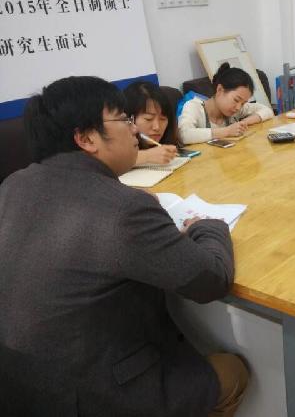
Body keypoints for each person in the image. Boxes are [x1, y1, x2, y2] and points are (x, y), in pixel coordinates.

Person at [0, 76, 248, 417]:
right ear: (86, 138)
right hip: (93, 396)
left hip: (20, 387)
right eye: (123, 119)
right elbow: (212, 279)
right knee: (233, 371)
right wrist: (208, 225)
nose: (134, 130)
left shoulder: (13, 185)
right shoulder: (123, 210)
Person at [178, 63, 274, 144]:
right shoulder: (194, 107)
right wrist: (227, 131)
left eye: (243, 103)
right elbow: (183, 135)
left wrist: (244, 123)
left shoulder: (237, 110)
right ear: (220, 90)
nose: (238, 107)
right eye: (236, 100)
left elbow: (267, 111)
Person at [124, 81, 179, 165]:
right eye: (148, 119)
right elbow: (109, 163)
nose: (157, 127)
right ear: (129, 119)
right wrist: (147, 156)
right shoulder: (117, 144)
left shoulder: (169, 139)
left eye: (163, 119)